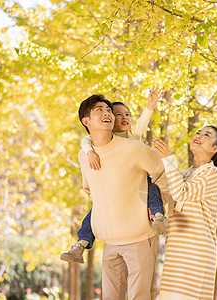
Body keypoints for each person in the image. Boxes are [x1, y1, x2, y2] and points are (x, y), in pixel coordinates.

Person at [70, 94, 168, 299]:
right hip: (109, 242)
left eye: (108, 110)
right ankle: (82, 242)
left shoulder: (135, 148)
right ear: (85, 121)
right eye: (100, 110)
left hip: (140, 238)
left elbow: (163, 175)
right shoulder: (83, 155)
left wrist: (155, 209)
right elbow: (91, 189)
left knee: (138, 297)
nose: (107, 113)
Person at [152, 125, 217, 300]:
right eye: (198, 133)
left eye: (207, 135)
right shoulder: (184, 173)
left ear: (215, 148)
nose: (199, 136)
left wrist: (169, 159)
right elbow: (161, 193)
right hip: (175, 252)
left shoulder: (212, 174)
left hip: (197, 254)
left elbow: (182, 193)